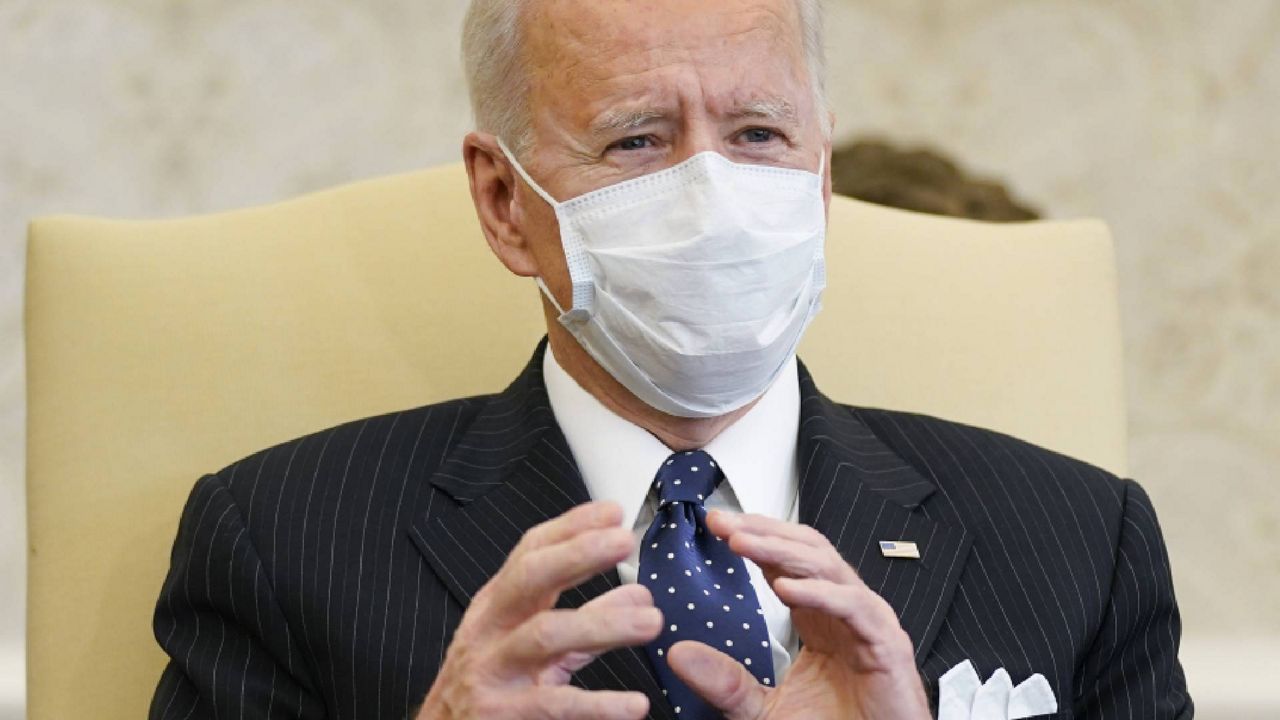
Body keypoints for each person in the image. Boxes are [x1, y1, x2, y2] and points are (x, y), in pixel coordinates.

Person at [148, 1, 1192, 718]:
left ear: (819, 176)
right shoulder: (280, 540)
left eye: (757, 134)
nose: (711, 193)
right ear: (504, 203)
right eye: (638, 141)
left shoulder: (1075, 540)